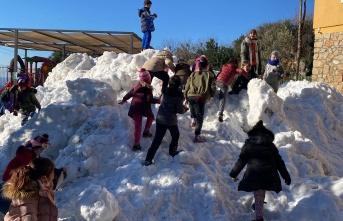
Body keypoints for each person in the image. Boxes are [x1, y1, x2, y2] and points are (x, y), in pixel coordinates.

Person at [229, 120, 291, 221]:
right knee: (260, 191)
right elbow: (279, 162)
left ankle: (259, 217)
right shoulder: (270, 145)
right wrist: (286, 176)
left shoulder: (248, 145)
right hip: (269, 175)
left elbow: (241, 160)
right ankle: (258, 205)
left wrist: (234, 173)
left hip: (254, 174)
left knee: (258, 192)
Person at [144, 75, 188, 166]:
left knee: (157, 139)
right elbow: (179, 110)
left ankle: (148, 159)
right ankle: (172, 151)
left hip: (160, 118)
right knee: (175, 135)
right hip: (170, 120)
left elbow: (163, 102)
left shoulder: (164, 91)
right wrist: (184, 109)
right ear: (179, 85)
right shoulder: (178, 96)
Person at [119, 68, 161, 151]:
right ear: (149, 79)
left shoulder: (136, 86)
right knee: (151, 117)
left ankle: (136, 144)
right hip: (144, 108)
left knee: (138, 126)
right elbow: (150, 99)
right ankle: (146, 131)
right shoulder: (148, 88)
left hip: (135, 108)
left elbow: (130, 93)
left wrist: (124, 99)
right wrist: (158, 101)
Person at [184, 57, 216, 143]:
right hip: (201, 97)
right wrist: (211, 95)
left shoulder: (193, 74)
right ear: (207, 66)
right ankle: (197, 135)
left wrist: (185, 95)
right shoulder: (210, 75)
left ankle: (193, 121)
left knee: (193, 109)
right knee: (200, 116)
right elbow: (213, 87)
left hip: (190, 95)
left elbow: (187, 85)